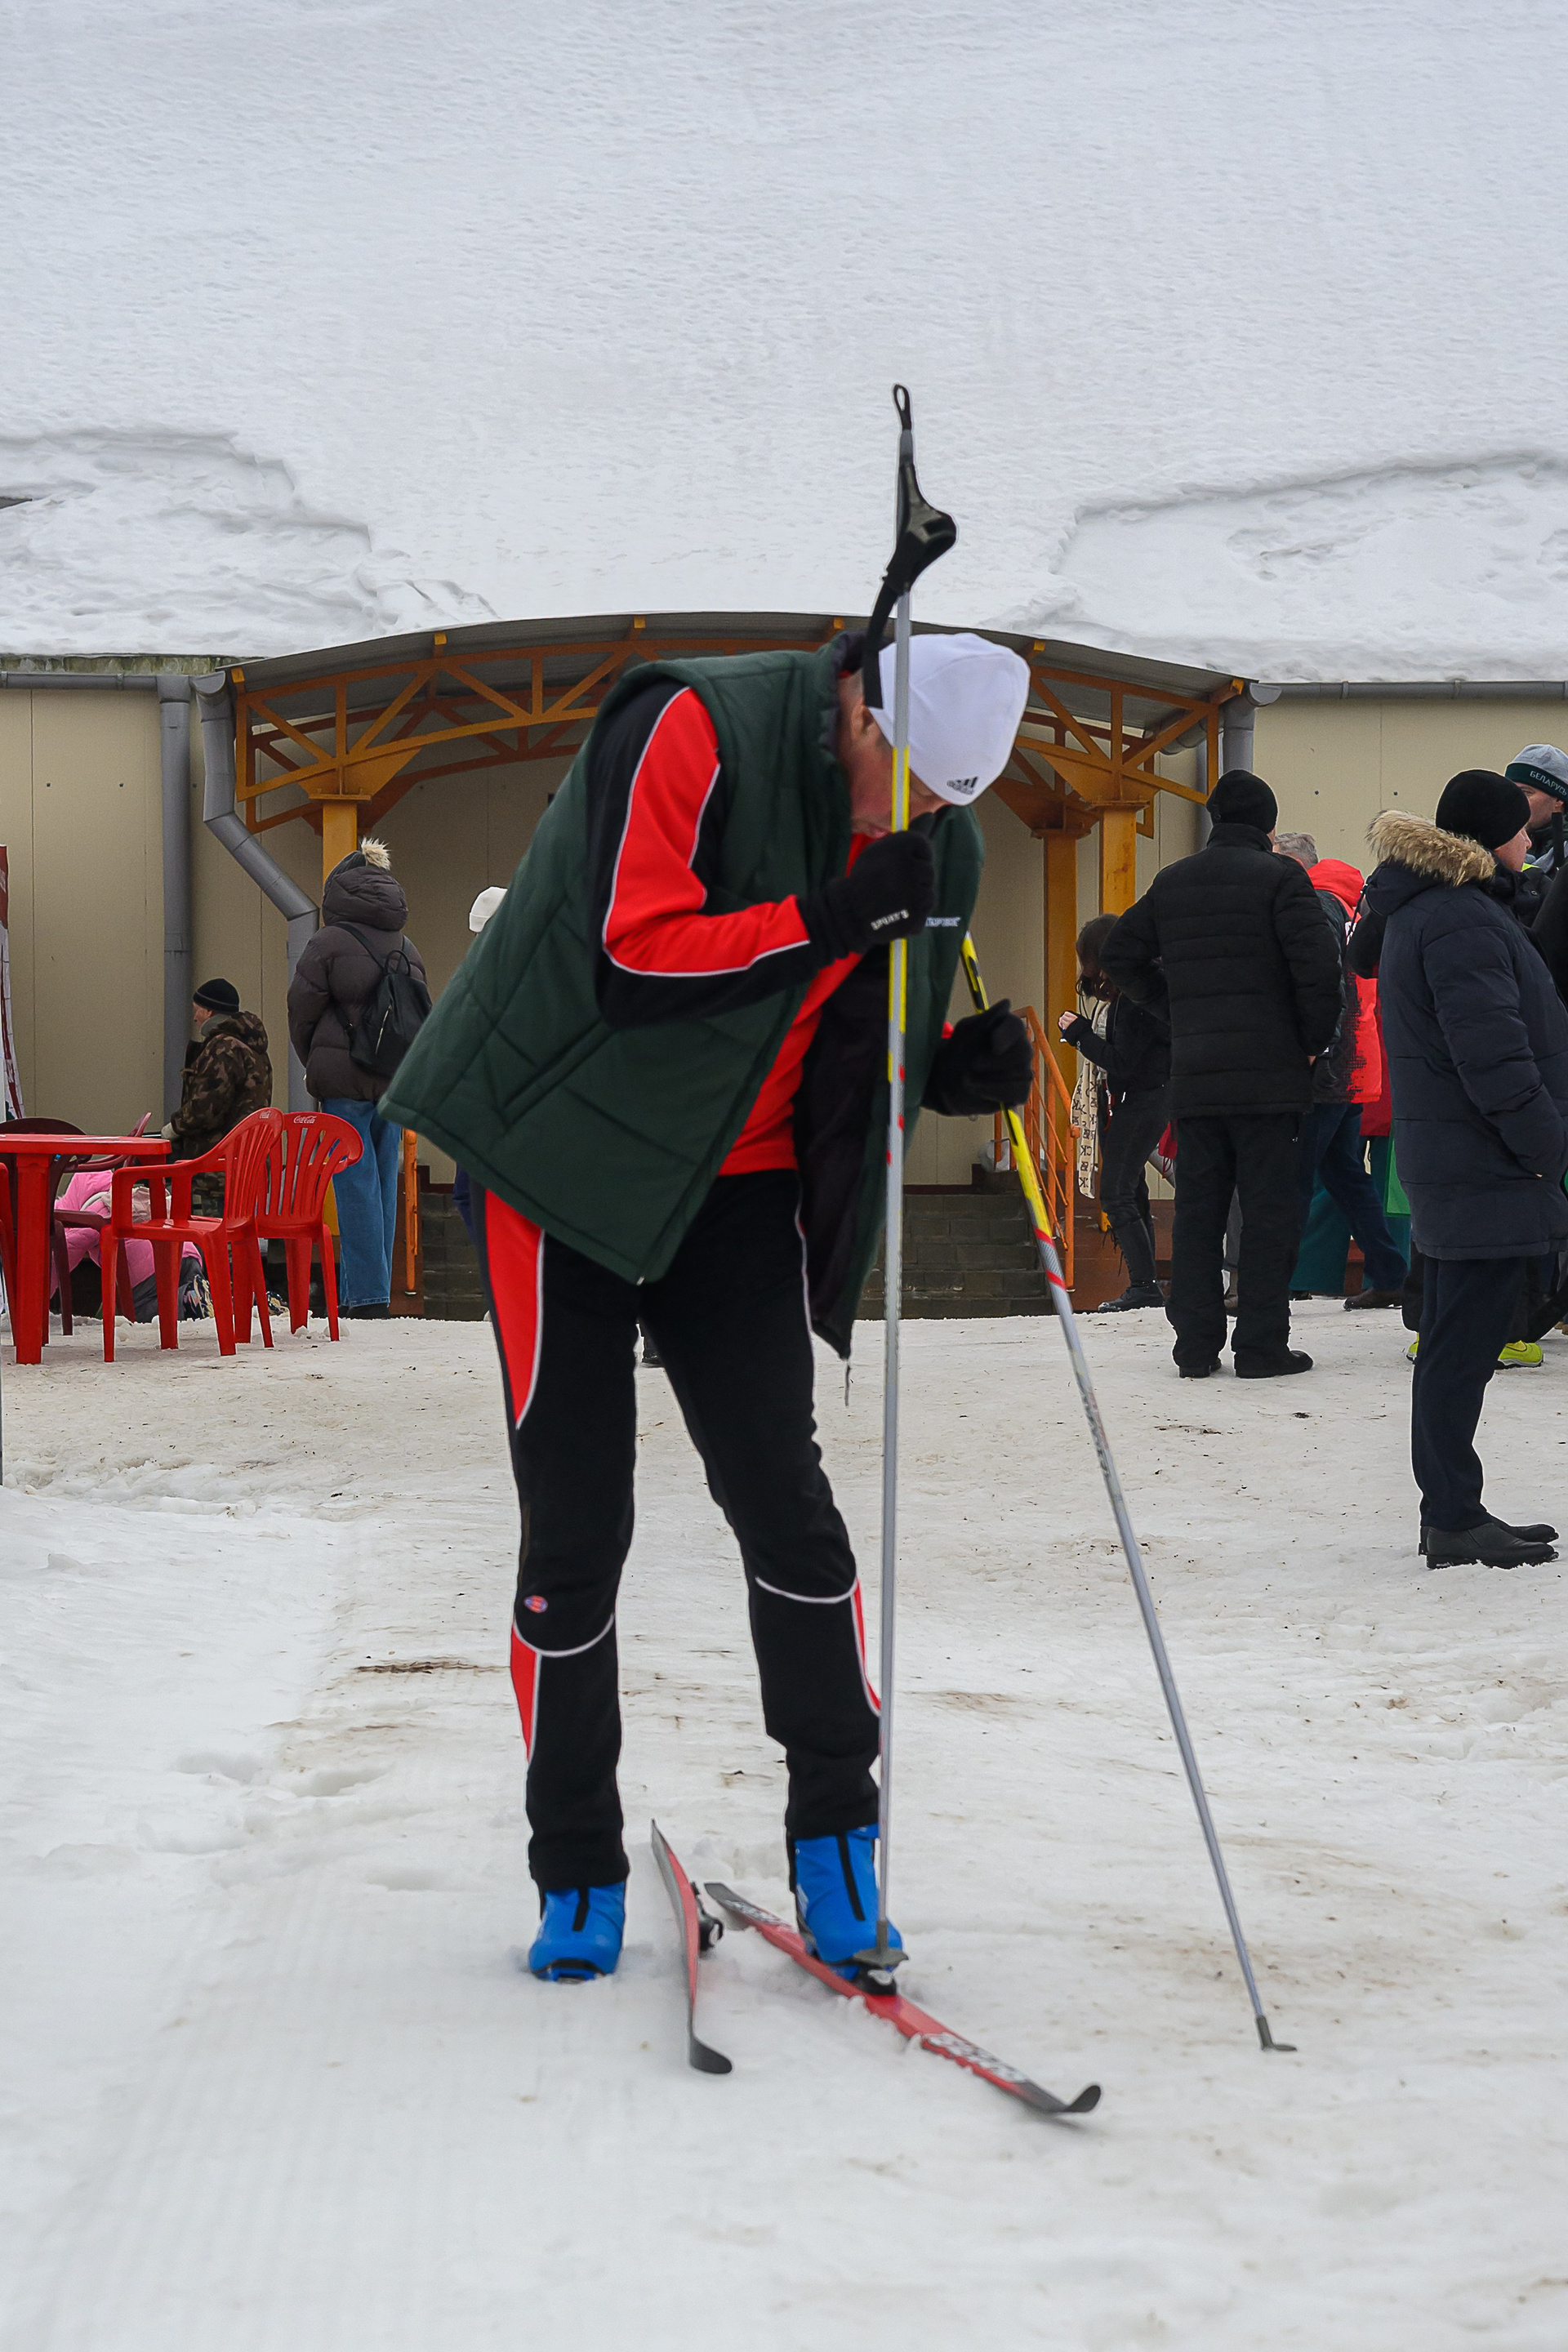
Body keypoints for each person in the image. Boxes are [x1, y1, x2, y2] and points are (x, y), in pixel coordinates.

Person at [384, 630, 1033, 1984]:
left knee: (785, 1501)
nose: (913, 818)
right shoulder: (693, 726)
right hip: (552, 1157)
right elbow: (636, 960)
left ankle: (840, 1844)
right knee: (576, 1525)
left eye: (945, 804)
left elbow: (857, 1027)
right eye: (906, 781)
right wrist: (833, 914)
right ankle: (576, 1865)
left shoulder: (938, 840)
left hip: (733, 1184)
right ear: (861, 711)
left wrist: (946, 1068)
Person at [1361, 773, 1568, 1568]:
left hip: (1461, 1157)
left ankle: (1453, 1507)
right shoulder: (1460, 918)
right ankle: (1451, 1514)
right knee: (1464, 1345)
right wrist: (1546, 1146)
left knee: (1456, 1339)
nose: (1529, 843)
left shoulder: (1440, 907)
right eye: (1520, 831)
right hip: (1484, 1161)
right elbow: (1492, 1055)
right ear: (1490, 836)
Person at [1100, 770, 1343, 1379]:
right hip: (1271, 1080)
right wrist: (1311, 1043)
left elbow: (1119, 953)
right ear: (1268, 825)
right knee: (1267, 1215)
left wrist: (1173, 1008)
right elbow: (1319, 970)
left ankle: (1195, 1345)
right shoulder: (1282, 879)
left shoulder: (1174, 881)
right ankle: (1260, 1346)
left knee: (1198, 1212)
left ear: (1214, 819)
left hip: (1197, 1078)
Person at [287, 839, 428, 1320]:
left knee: (354, 1183)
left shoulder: (328, 942)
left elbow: (301, 1009)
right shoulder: (406, 946)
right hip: (393, 1079)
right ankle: (361, 1293)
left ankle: (366, 1299)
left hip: (344, 1080)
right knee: (383, 1184)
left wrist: (315, 1060)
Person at [1273, 834, 1407, 1308]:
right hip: (1358, 1066)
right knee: (1345, 1176)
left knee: (1292, 1176)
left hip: (1327, 1069)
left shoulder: (1316, 906)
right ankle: (1391, 1274)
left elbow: (1321, 987)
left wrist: (1313, 1050)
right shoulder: (1355, 905)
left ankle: (1270, 1284)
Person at [1058, 912, 1170, 1311]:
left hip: (1143, 1098)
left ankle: (1144, 1285)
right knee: (1131, 1189)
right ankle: (1146, 1283)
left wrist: (1080, 1036)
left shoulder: (1134, 999)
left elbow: (1124, 1064)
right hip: (1149, 1096)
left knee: (1117, 1193)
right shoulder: (1144, 989)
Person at [164, 978, 272, 1212]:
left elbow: (206, 1108)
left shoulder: (223, 1048)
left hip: (217, 1166)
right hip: (247, 1162)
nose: (195, 1018)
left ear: (210, 1011)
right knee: (239, 1229)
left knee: (213, 1230)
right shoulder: (253, 1047)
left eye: (197, 1010)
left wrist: (173, 1128)